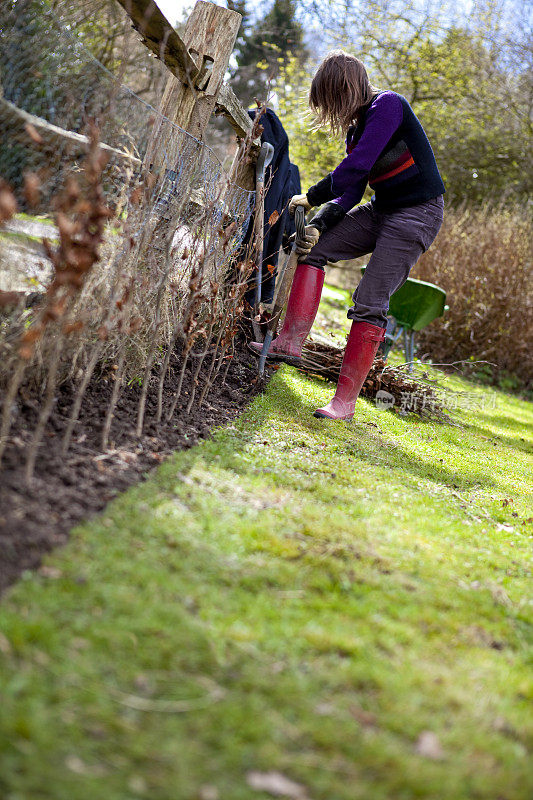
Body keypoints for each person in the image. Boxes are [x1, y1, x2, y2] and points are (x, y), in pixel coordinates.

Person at [250, 50, 445, 420]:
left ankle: (345, 403)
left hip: (417, 214)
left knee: (370, 301)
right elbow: (351, 190)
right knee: (314, 249)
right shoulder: (356, 131)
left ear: (348, 89)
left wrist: (311, 195)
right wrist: (318, 225)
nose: (333, 110)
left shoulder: (388, 106)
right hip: (384, 208)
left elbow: (357, 167)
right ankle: (289, 343)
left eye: (334, 100)